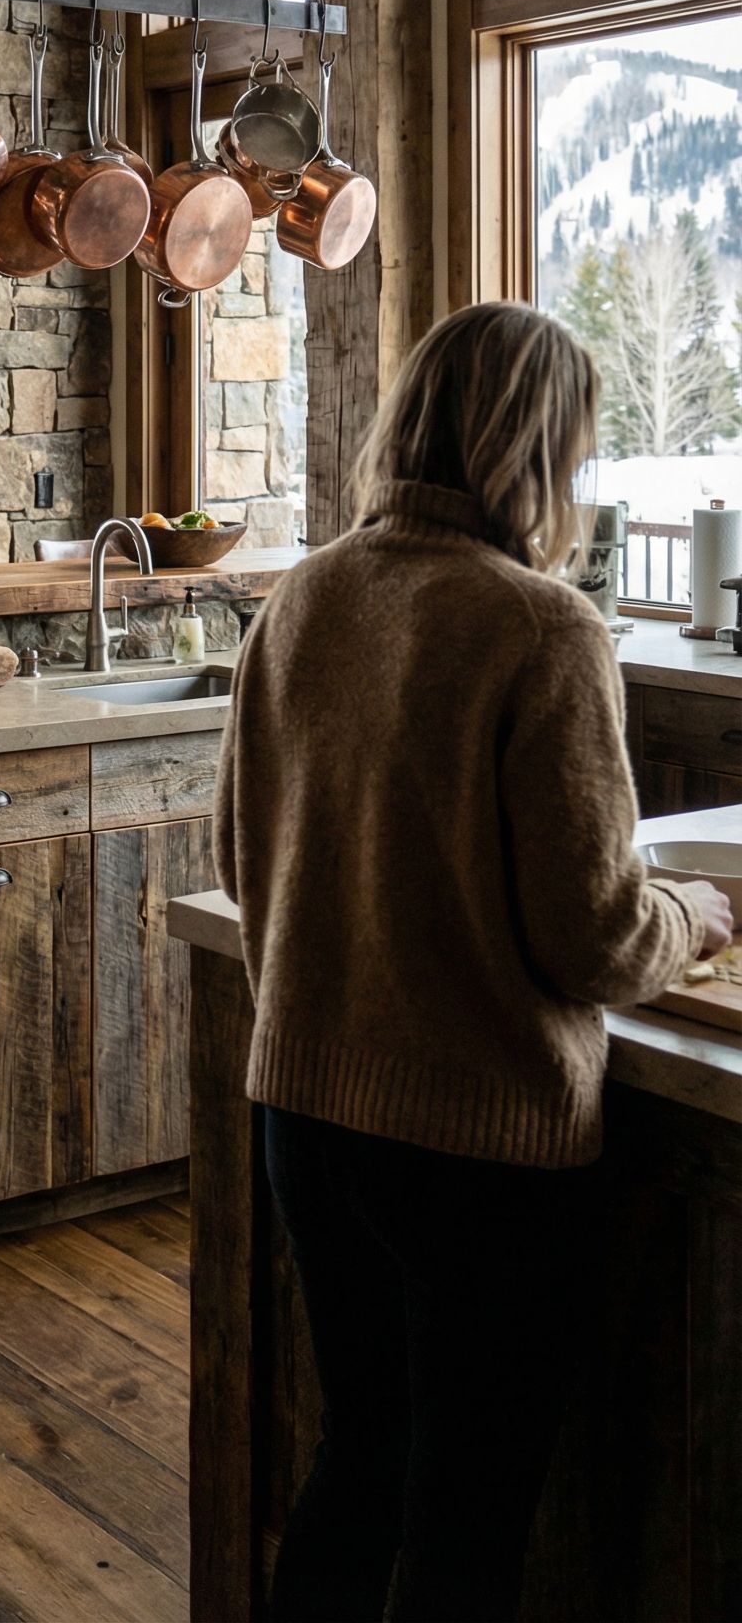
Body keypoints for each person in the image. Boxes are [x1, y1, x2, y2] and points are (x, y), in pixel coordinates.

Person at [214, 301, 732, 1622]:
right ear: (541, 448)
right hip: (476, 1151)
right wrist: (701, 916)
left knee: (363, 1457)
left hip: (304, 1119)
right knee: (471, 1513)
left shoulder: (306, 592)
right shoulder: (539, 625)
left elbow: (241, 853)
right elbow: (598, 937)